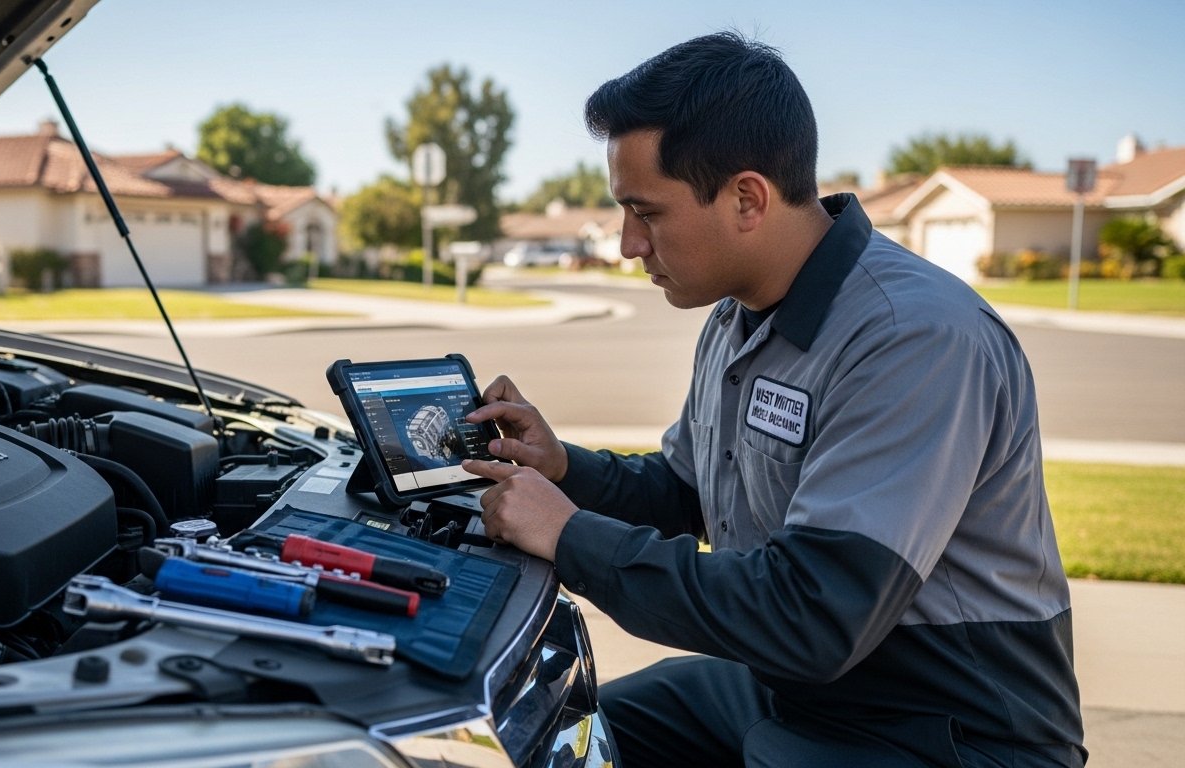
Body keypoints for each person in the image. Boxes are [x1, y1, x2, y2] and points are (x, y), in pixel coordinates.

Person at [460, 31, 1085, 768]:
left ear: (747, 199)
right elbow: (688, 491)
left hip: (946, 727)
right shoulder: (737, 315)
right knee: (559, 741)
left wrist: (570, 538)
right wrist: (564, 470)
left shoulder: (913, 338)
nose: (629, 244)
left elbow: (814, 614)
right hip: (790, 687)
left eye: (647, 212)